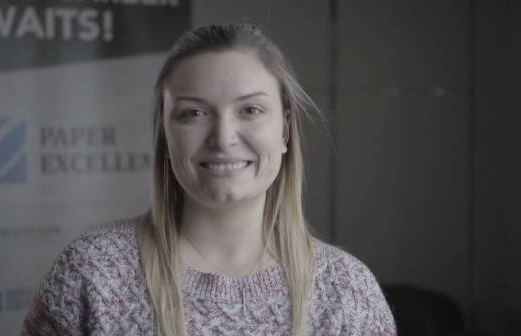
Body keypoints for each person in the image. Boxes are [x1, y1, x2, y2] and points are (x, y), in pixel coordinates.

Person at [21, 23, 396, 336]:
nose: (223, 137)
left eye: (250, 109)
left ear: (284, 131)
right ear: (165, 134)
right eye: (194, 113)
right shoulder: (92, 272)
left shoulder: (348, 291)